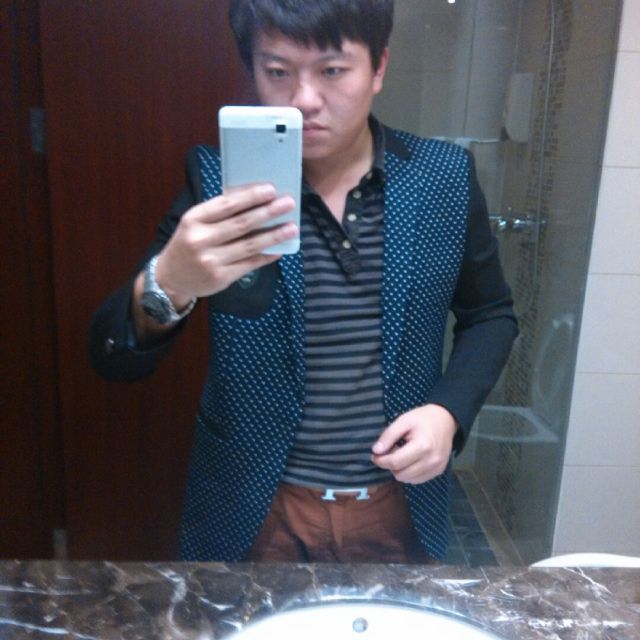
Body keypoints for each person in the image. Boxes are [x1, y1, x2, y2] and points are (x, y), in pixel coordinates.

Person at [89, 0, 518, 564]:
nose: (304, 99)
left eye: (332, 70)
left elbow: (491, 316)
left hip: (398, 504)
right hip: (256, 511)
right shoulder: (218, 184)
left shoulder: (442, 177)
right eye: (278, 71)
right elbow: (114, 357)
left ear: (378, 68)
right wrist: (168, 283)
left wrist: (448, 412)